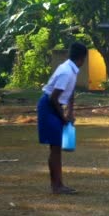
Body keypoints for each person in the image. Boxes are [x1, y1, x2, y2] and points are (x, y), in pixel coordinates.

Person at [37, 42, 87, 195]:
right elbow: (53, 98)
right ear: (82, 58)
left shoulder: (72, 69)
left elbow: (70, 92)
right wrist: (63, 117)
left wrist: (71, 112)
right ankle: (56, 186)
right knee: (55, 148)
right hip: (48, 107)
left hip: (55, 106)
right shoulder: (66, 71)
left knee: (57, 147)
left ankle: (59, 184)